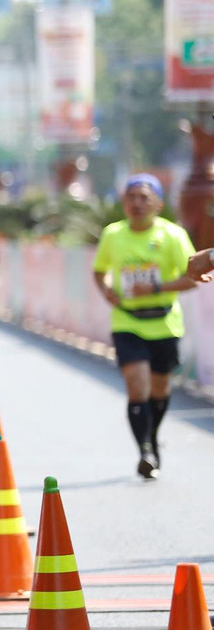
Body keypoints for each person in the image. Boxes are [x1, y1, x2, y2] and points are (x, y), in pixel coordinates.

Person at [92, 174, 201, 479]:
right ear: (123, 203)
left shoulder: (173, 235)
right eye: (131, 197)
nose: (137, 203)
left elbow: (193, 277)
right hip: (127, 321)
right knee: (136, 385)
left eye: (144, 197)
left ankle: (151, 437)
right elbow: (99, 271)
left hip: (164, 322)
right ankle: (145, 451)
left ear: (158, 204)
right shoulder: (113, 234)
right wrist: (107, 291)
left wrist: (155, 288)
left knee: (160, 389)